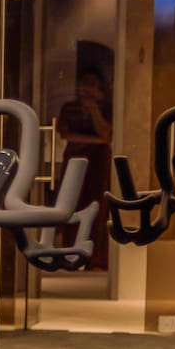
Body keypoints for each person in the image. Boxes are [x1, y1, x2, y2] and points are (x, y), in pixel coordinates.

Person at [55, 66, 113, 270]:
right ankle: (70, 254)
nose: (87, 88)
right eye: (84, 83)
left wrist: (94, 110)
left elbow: (106, 134)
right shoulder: (69, 108)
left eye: (92, 84)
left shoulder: (105, 107)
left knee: (99, 206)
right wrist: (96, 140)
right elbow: (65, 135)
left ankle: (96, 258)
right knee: (71, 205)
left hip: (99, 162)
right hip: (74, 158)